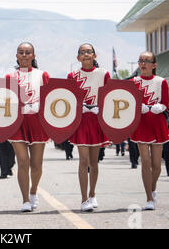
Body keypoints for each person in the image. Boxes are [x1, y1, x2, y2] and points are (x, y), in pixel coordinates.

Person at [7, 42, 50, 212]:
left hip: (38, 123)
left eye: (27, 52)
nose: (24, 55)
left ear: (33, 55)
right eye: (21, 52)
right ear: (16, 56)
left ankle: (33, 191)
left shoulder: (42, 75)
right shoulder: (10, 77)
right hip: (18, 123)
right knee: (23, 161)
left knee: (37, 164)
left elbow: (50, 98)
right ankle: (25, 200)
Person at [67, 43, 110, 212]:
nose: (86, 54)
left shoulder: (104, 74)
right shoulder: (72, 75)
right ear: (78, 57)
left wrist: (101, 106)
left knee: (94, 161)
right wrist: (80, 106)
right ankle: (84, 198)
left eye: (89, 52)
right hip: (81, 121)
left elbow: (109, 95)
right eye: (82, 52)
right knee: (83, 160)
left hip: (97, 120)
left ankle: (92, 194)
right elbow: (68, 97)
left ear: (94, 56)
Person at [130, 51, 169, 210]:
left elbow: (166, 102)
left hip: (157, 123)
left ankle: (152, 188)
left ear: (154, 65)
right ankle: (148, 198)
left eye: (147, 61)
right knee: (145, 162)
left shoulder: (161, 81)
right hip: (141, 123)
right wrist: (138, 106)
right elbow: (128, 101)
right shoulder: (133, 81)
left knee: (157, 165)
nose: (143, 63)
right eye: (141, 60)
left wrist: (159, 107)